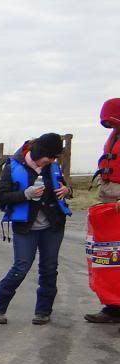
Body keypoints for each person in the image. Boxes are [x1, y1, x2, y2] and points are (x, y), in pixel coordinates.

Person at [0, 133, 72, 325]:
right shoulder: (13, 166)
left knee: (49, 269)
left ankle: (43, 312)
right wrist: (25, 195)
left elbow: (66, 188)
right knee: (21, 267)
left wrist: (67, 191)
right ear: (39, 152)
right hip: (25, 227)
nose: (51, 161)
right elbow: (2, 197)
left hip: (53, 226)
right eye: (49, 157)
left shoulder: (52, 167)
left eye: (54, 158)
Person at [85, 97, 120, 325]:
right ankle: (113, 307)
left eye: (111, 122)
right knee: (107, 256)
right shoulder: (115, 135)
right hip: (109, 202)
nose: (109, 127)